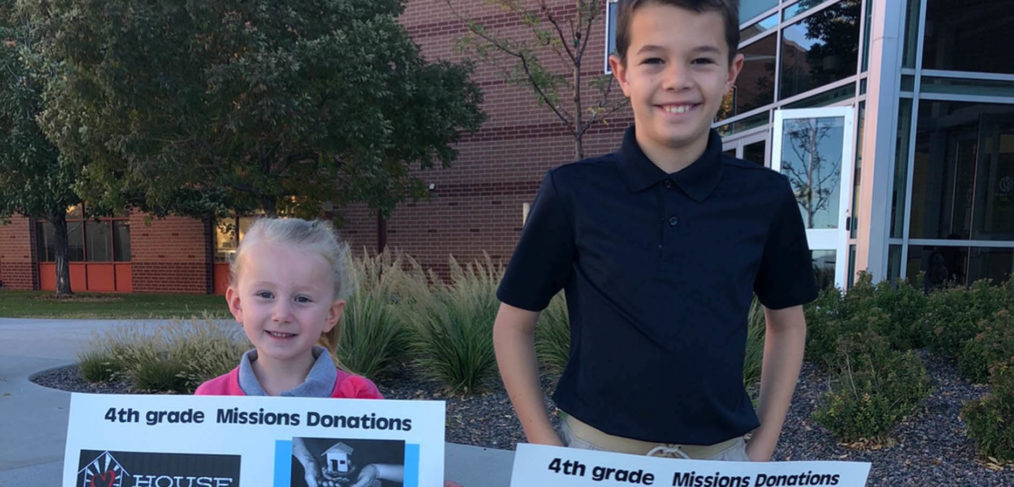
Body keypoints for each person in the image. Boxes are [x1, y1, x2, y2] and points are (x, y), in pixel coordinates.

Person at [493, 0, 818, 463]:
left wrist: (760, 451)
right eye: (654, 60)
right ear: (622, 72)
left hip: (721, 460)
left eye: (702, 60)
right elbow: (512, 326)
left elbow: (787, 326)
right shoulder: (572, 192)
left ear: (732, 71)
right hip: (593, 458)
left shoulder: (765, 198)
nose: (677, 80)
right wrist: (549, 449)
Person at [195, 218, 460, 487]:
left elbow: (403, 465)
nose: (282, 314)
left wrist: (427, 480)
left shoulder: (360, 396)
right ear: (238, 304)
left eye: (302, 299)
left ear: (330, 315)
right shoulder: (209, 400)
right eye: (265, 294)